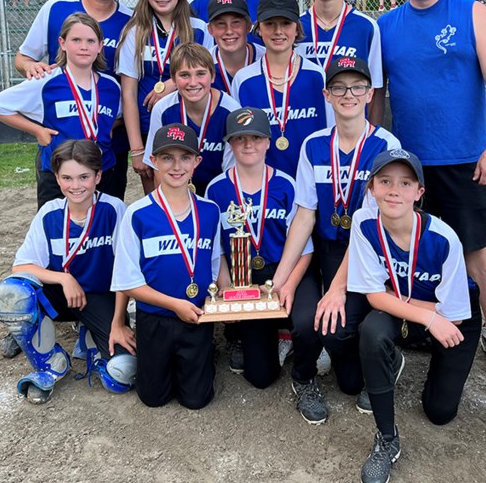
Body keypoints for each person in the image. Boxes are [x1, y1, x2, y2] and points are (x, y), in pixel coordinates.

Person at [377, 0, 486, 376]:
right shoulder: (387, 25)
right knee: (415, 248)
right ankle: (424, 325)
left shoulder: (472, 12)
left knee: (474, 248)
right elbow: (378, 94)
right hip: (409, 163)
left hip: (462, 158)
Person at [270, 56, 401, 425]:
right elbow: (305, 215)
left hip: (367, 253)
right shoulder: (313, 144)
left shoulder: (385, 145)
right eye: (339, 87)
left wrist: (338, 287)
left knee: (348, 374)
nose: (349, 94)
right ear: (327, 94)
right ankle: (304, 377)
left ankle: (387, 359)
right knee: (309, 317)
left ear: (369, 93)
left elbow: (367, 223)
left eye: (357, 86)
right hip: (324, 249)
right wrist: (280, 276)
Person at [349, 148, 477, 483]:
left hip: (452, 317)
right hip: (413, 311)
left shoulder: (444, 237)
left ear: (420, 193)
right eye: (385, 181)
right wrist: (424, 316)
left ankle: (421, 358)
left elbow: (454, 315)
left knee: (439, 412)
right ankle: (386, 438)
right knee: (372, 333)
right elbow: (374, 296)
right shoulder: (364, 224)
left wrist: (429, 317)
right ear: (371, 188)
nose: (394, 190)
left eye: (406, 183)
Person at [0, 139, 135, 404]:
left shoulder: (114, 209)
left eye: (84, 177)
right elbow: (21, 266)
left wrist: (118, 323)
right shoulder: (50, 213)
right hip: (60, 293)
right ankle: (50, 362)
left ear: (98, 176)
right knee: (13, 292)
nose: (76, 185)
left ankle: (91, 338)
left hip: (100, 296)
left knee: (123, 374)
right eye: (67, 177)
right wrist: (63, 278)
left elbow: (127, 270)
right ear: (56, 178)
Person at [111, 123, 223, 410]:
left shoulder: (210, 210)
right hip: (155, 319)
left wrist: (227, 299)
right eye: (167, 158)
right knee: (153, 398)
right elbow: (128, 281)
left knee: (197, 400)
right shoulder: (138, 214)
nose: (177, 166)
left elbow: (216, 261)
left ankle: (200, 356)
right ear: (153, 161)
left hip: (197, 318)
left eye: (185, 157)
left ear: (197, 161)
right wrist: (175, 304)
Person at [13, 0, 132, 202]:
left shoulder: (132, 21)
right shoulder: (56, 9)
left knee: (106, 225)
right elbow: (22, 57)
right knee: (58, 225)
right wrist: (32, 66)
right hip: (62, 145)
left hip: (108, 144)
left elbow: (131, 84)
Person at [205, 107, 311, 388]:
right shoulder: (216, 190)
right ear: (230, 143)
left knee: (306, 321)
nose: (248, 144)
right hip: (243, 278)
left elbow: (305, 247)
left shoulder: (286, 184)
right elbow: (216, 249)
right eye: (239, 139)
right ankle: (254, 336)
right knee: (261, 377)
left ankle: (302, 352)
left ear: (268, 141)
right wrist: (226, 289)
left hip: (281, 271)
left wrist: (284, 284)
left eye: (255, 137)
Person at [0, 13, 123, 209]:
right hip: (59, 174)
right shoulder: (46, 80)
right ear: (62, 43)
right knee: (57, 229)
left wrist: (108, 129)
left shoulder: (111, 87)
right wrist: (37, 131)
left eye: (90, 41)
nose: (84, 47)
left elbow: (118, 117)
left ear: (100, 46)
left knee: (105, 230)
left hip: (102, 171)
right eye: (76, 40)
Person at [117, 0, 214, 195]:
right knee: (159, 202)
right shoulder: (135, 32)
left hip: (191, 127)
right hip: (149, 129)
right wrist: (138, 149)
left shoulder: (200, 29)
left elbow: (208, 78)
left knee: (198, 195)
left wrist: (173, 83)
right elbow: (128, 93)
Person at [230, 0, 333, 180]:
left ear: (297, 29)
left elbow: (331, 135)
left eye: (286, 23)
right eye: (270, 24)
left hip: (311, 183)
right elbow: (235, 139)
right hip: (264, 188)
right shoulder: (244, 80)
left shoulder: (316, 76)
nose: (278, 31)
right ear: (259, 29)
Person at [296, 0, 386, 126]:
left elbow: (376, 90)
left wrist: (372, 142)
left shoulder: (367, 27)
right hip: (304, 134)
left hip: (352, 137)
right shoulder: (295, 28)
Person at [144, 43, 240, 197]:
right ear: (174, 80)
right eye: (184, 75)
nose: (193, 82)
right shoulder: (163, 109)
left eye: (200, 73)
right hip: (176, 192)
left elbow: (231, 174)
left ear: (213, 76)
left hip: (219, 193)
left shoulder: (231, 111)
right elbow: (158, 169)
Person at [206, 0, 265, 96]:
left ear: (248, 26)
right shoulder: (203, 63)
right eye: (221, 24)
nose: (229, 31)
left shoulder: (266, 58)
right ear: (210, 29)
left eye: (236, 23)